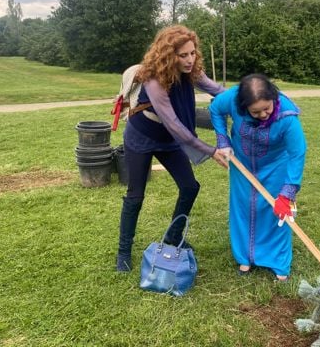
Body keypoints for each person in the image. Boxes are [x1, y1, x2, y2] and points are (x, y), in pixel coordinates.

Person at [116, 25, 228, 272]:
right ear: (169, 55)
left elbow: (218, 91)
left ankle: (173, 236)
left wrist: (249, 98)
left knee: (190, 186)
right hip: (141, 138)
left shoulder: (191, 71)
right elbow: (175, 125)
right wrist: (211, 150)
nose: (190, 59)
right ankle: (123, 251)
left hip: (167, 140)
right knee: (136, 195)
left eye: (192, 53)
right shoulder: (154, 79)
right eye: (183, 55)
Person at [209, 74, 307, 281]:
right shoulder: (233, 98)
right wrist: (222, 139)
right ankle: (245, 257)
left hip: (275, 165)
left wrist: (287, 193)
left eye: (267, 108)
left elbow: (297, 153)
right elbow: (215, 109)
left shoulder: (287, 117)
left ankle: (278, 263)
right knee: (243, 207)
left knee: (276, 214)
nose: (263, 114)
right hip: (242, 163)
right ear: (244, 107)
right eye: (255, 111)